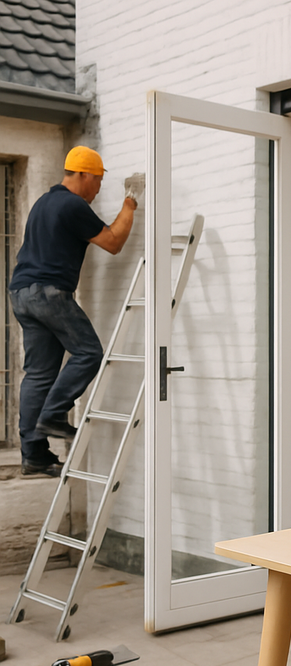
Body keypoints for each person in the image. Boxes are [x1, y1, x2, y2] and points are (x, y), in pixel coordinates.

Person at [8, 146, 138, 477]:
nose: (98, 190)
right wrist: (130, 202)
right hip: (48, 293)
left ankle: (34, 455)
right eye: (97, 181)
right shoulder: (72, 204)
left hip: (22, 293)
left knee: (38, 374)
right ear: (82, 175)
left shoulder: (43, 203)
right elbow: (113, 242)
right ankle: (54, 415)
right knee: (89, 353)